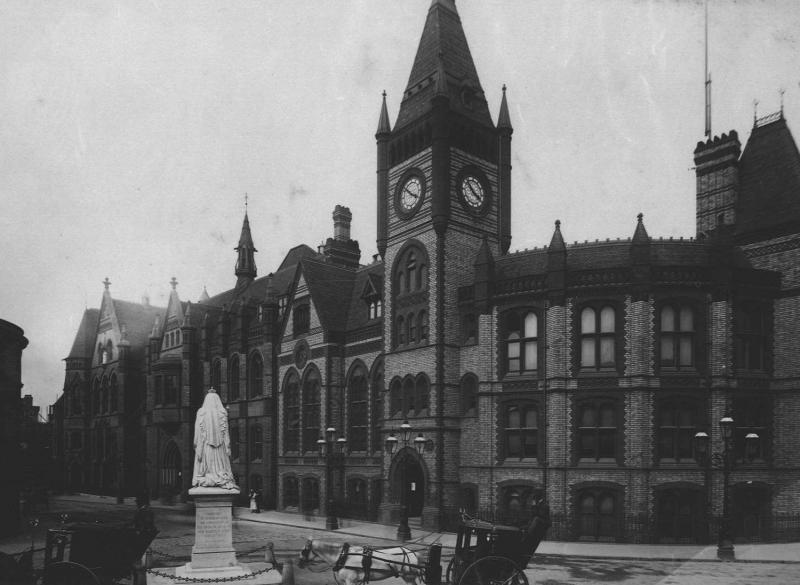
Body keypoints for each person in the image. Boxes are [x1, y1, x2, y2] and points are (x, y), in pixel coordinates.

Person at [192, 388, 238, 490]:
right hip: (220, 448)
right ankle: (221, 476)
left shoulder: (201, 412)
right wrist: (228, 446)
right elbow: (226, 434)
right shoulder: (222, 412)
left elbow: (198, 431)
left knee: (206, 467)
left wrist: (197, 445)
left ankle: (208, 476)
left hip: (206, 446)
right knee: (221, 467)